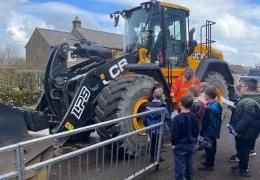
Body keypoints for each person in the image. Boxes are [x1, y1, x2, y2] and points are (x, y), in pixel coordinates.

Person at [228, 78, 260, 177]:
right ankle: (241, 165)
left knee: (243, 150)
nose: (240, 88)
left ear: (245, 88)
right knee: (241, 149)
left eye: (241, 86)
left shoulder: (249, 101)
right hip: (248, 131)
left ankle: (243, 169)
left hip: (246, 132)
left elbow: (247, 119)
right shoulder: (248, 99)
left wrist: (237, 130)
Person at [171, 94, 199, 180]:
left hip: (180, 145)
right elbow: (196, 130)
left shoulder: (177, 118)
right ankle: (188, 177)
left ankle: (179, 178)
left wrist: (173, 143)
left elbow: (175, 133)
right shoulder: (194, 116)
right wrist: (194, 140)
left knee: (179, 164)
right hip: (190, 144)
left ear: (180, 104)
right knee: (189, 162)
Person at [199, 86, 222, 171]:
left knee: (209, 148)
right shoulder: (216, 103)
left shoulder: (209, 109)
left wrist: (207, 133)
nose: (204, 96)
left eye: (204, 94)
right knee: (211, 147)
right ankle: (208, 161)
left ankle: (209, 165)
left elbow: (211, 122)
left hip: (209, 132)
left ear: (208, 96)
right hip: (213, 132)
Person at [144, 87, 170, 162]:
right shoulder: (163, 106)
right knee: (158, 144)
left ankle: (152, 157)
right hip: (159, 129)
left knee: (152, 143)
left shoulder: (147, 106)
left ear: (153, 95)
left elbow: (145, 118)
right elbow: (167, 117)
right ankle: (158, 157)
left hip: (150, 128)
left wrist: (146, 125)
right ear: (162, 96)